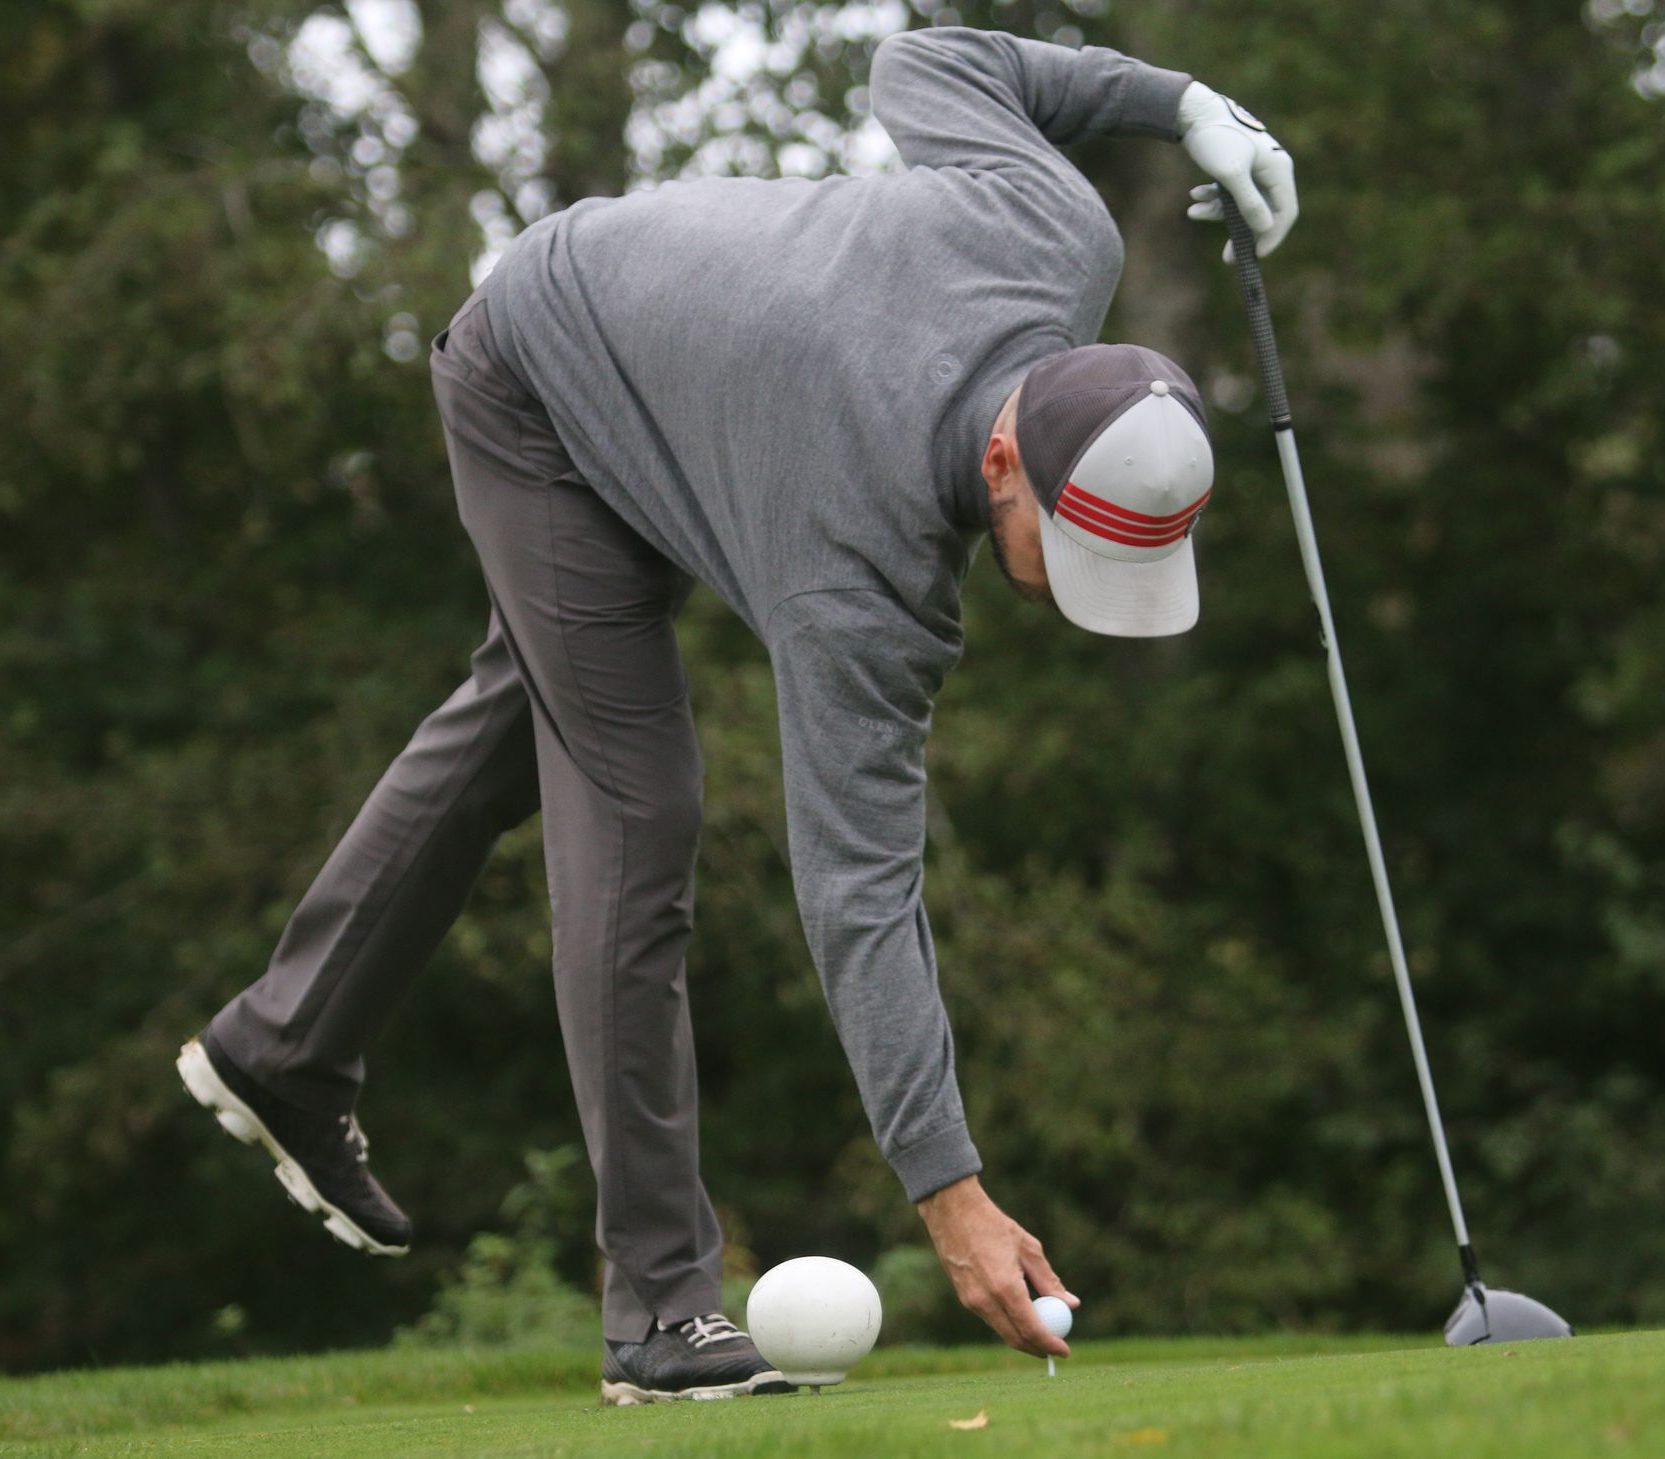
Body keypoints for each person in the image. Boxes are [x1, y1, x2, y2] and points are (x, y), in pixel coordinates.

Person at [175, 23, 1298, 1403]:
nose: (1068, 593)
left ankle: (281, 1046)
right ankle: (657, 1310)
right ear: (1006, 457)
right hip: (539, 375)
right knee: (639, 806)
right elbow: (859, 888)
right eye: (1059, 549)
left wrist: (1179, 103)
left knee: (525, 722)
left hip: (665, 369)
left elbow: (932, 68)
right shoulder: (859, 574)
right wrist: (949, 1189)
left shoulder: (1058, 228)